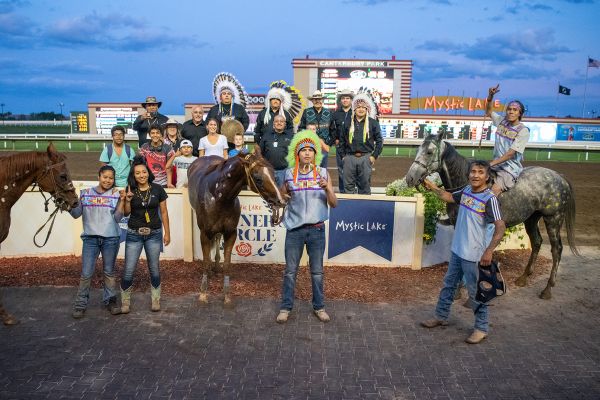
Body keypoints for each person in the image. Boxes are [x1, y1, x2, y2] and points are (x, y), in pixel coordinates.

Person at [420, 160, 506, 344]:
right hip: (457, 250)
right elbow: (449, 197)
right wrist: (432, 186)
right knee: (449, 284)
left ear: (487, 176)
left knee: (476, 292)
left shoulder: (490, 199)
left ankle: (481, 328)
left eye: (480, 172)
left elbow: (500, 227)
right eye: (473, 171)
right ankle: (440, 316)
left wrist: (489, 251)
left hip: (474, 256)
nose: (475, 175)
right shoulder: (466, 191)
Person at [276, 130, 337, 324]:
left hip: (317, 230)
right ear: (297, 153)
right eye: (304, 150)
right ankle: (286, 308)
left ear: (316, 153)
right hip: (294, 231)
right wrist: (280, 199)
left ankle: (319, 307)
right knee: (290, 271)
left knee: (317, 272)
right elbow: (280, 200)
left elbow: (334, 203)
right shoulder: (287, 175)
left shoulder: (323, 173)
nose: (308, 153)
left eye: (311, 150)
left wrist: (327, 187)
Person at [118, 156, 171, 314]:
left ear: (148, 172)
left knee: (154, 268)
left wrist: (167, 233)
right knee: (129, 269)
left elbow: (164, 212)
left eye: (144, 172)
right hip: (134, 234)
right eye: (137, 173)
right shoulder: (130, 189)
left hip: (154, 234)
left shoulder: (158, 189)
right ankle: (125, 301)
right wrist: (127, 200)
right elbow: (126, 213)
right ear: (133, 175)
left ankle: (156, 299)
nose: (141, 175)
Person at [70, 165, 124, 318]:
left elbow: (118, 218)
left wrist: (122, 200)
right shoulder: (85, 194)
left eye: (111, 178)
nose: (108, 180)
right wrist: (68, 203)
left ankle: (111, 301)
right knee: (86, 273)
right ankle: (80, 305)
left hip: (111, 239)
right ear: (99, 176)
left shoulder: (116, 194)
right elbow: (76, 214)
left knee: (109, 272)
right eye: (105, 177)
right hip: (90, 239)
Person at [485, 84, 530, 196]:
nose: (511, 112)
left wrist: (491, 164)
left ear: (520, 114)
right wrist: (490, 96)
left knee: (493, 192)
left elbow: (510, 154)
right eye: (509, 109)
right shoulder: (502, 121)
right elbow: (489, 112)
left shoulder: (523, 131)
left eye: (515, 110)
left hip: (509, 169)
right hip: (495, 165)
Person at [338, 93, 383, 194]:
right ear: (354, 109)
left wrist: (373, 156)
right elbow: (341, 141)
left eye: (363, 107)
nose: (361, 109)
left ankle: (364, 208)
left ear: (367, 109)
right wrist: (343, 157)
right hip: (349, 158)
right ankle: (349, 208)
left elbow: (380, 141)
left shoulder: (373, 123)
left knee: (364, 186)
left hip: (366, 158)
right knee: (348, 187)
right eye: (358, 107)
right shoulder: (347, 122)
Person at [299, 90, 334, 168]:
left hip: (323, 148)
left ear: (322, 100)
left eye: (319, 99)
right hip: (309, 147)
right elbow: (301, 129)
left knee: (323, 171)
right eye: (315, 99)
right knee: (310, 170)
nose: (317, 101)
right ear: (312, 101)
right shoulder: (306, 112)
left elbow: (333, 131)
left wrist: (328, 144)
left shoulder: (329, 112)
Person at [260, 114, 294, 187]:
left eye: (281, 121)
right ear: (273, 124)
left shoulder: (291, 136)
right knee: (269, 194)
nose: (279, 123)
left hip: (284, 171)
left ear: (285, 124)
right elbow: (260, 153)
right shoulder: (266, 136)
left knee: (282, 194)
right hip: (269, 171)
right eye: (277, 121)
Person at [331, 90, 354, 193]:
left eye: (347, 98)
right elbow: (332, 128)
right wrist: (335, 139)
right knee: (341, 170)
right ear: (340, 100)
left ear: (351, 100)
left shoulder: (355, 112)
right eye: (343, 98)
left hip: (353, 146)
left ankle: (352, 191)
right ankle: (342, 191)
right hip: (340, 146)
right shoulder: (335, 114)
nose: (345, 100)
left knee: (353, 170)